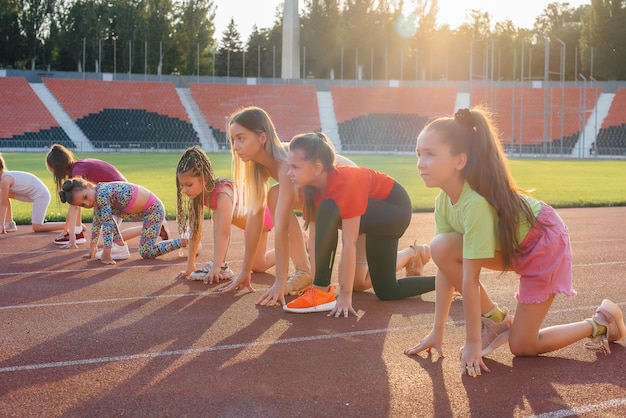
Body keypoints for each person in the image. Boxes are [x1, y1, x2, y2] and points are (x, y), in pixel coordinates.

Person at [404, 106, 626, 377]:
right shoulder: (443, 202)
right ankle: (497, 322)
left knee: (523, 346)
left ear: (459, 161)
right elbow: (445, 268)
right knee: (441, 246)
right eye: (418, 154)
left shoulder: (474, 203)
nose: (420, 163)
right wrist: (436, 332)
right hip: (515, 247)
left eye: (430, 154)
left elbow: (469, 280)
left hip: (544, 244)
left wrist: (472, 344)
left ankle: (601, 323)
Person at [283, 132, 436, 317]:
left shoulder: (345, 181)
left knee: (328, 208)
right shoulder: (311, 190)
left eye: (295, 167)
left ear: (316, 168)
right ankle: (449, 280)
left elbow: (350, 242)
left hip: (394, 210)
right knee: (387, 291)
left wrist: (345, 295)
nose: (288, 173)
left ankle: (322, 291)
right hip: (373, 217)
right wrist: (315, 284)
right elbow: (315, 239)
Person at [218, 106, 313, 305]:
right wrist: (245, 270)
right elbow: (255, 218)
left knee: (359, 281)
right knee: (275, 195)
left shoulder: (285, 162)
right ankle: (305, 269)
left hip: (352, 199)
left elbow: (282, 228)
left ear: (262, 137)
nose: (235, 146)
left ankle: (304, 270)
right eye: (233, 140)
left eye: (241, 138)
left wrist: (280, 281)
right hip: (320, 206)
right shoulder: (259, 168)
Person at [175, 145, 275, 283]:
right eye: (182, 186)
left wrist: (216, 267)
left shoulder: (223, 194)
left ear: (204, 179)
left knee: (219, 214)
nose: (185, 190)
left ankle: (221, 265)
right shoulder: (199, 195)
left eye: (189, 185)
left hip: (262, 215)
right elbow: (195, 229)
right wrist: (190, 265)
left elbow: (224, 232)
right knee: (258, 266)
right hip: (250, 223)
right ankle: (294, 246)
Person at [58, 177, 183, 264]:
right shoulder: (97, 197)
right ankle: (120, 247)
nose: (88, 203)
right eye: (83, 204)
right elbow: (97, 222)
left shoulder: (102, 193)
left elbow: (107, 225)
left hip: (154, 210)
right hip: (141, 213)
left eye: (85, 197)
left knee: (146, 252)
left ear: (90, 186)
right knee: (103, 216)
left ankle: (184, 241)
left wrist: (106, 254)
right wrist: (93, 247)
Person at [46, 143, 141, 247]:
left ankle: (154, 226)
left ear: (57, 168)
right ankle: (78, 232)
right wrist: (68, 231)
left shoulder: (77, 174)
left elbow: (74, 207)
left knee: (111, 238)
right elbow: (76, 203)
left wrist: (71, 237)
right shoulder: (79, 166)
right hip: (122, 190)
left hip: (121, 195)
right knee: (107, 236)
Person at [0, 153, 65, 234]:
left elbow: (3, 204)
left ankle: (70, 224)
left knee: (37, 227)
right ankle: (9, 224)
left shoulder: (5, 179)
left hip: (41, 195)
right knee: (2, 195)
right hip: (30, 194)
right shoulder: (4, 178)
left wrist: (1, 224)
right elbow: (4, 200)